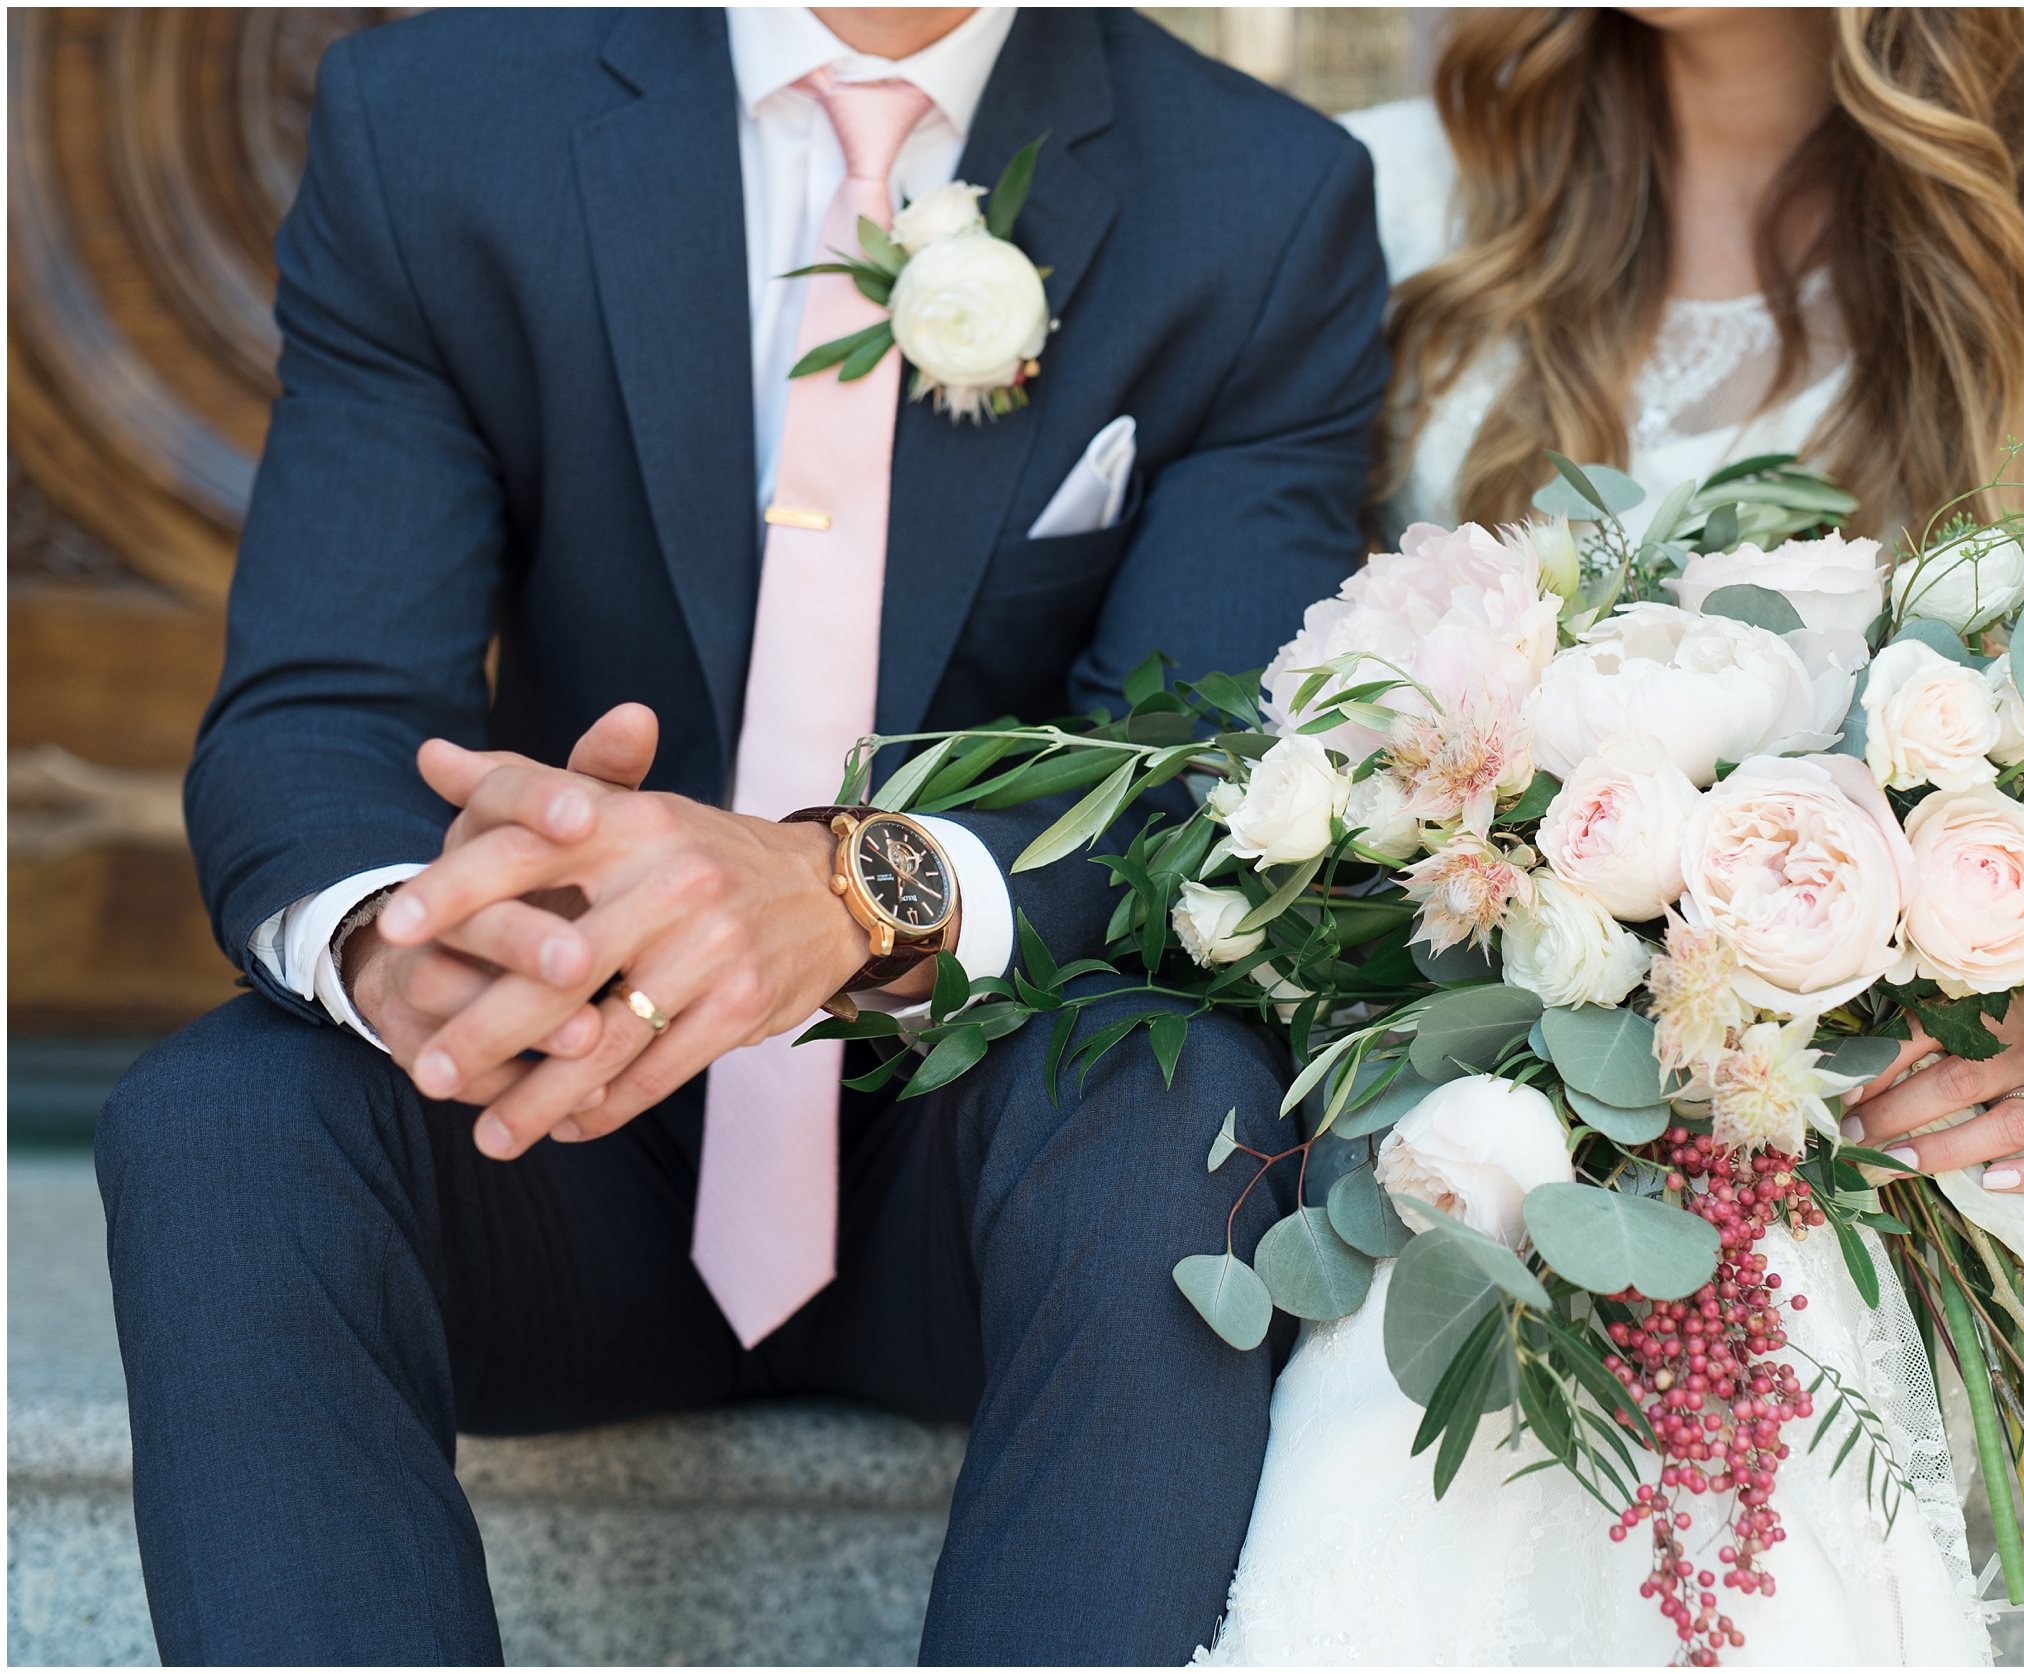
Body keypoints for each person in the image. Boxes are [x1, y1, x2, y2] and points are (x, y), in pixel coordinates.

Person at [95, 7, 1387, 1664]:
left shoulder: (1263, 198)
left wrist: (853, 892)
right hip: (558, 1131)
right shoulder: (433, 121)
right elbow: (320, 706)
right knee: (221, 1119)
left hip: (981, 1161)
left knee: (1187, 1112)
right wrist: (401, 942)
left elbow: (1208, 776)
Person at [1204, 7, 2024, 1665]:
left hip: (1845, 1097)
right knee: (1484, 1204)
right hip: (1423, 1054)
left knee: (1765, 1249)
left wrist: (1984, 988)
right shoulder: (1403, 207)